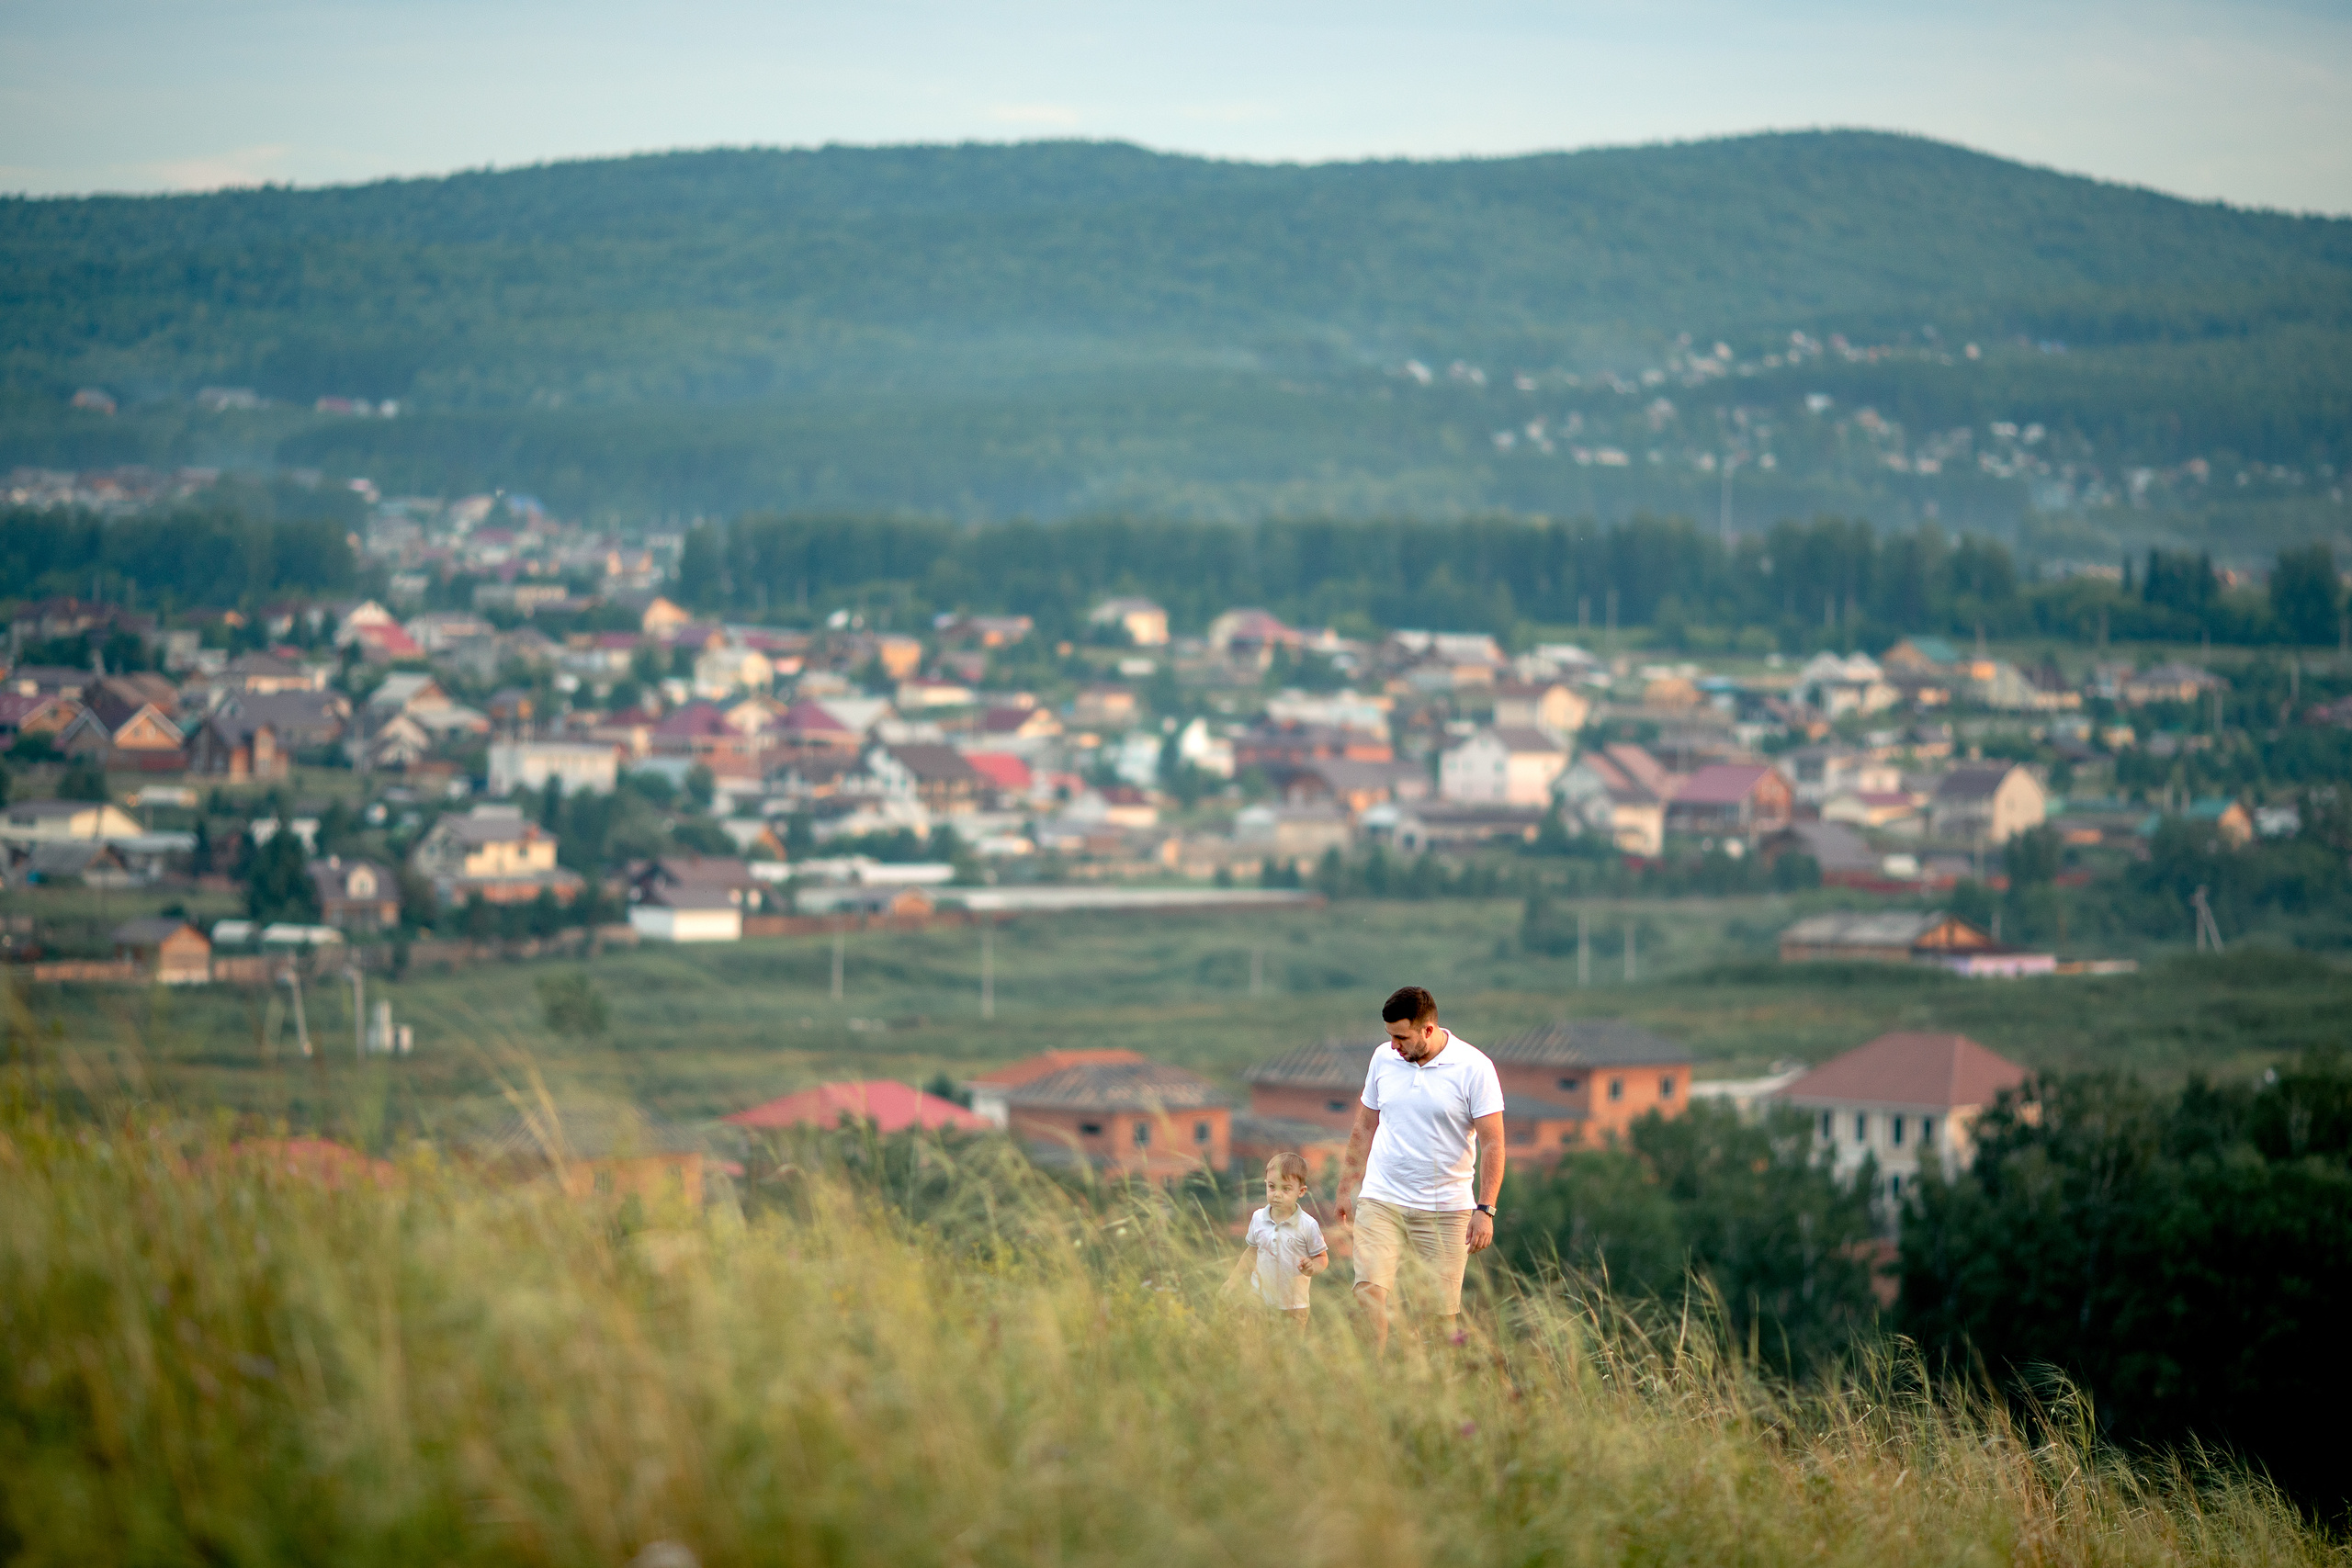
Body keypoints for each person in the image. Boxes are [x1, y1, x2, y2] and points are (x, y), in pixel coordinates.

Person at [1334, 985, 1505, 1352]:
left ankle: (1433, 1396)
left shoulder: (1476, 1069)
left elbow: (1493, 1142)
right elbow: (1364, 1126)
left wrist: (1485, 1209)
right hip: (1382, 1198)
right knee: (1368, 1295)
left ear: (1428, 1030)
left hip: (1446, 1209)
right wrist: (1348, 1185)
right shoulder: (1383, 1058)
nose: (1394, 1045)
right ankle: (1372, 1386)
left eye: (1401, 1037)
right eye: (1389, 1036)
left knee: (1438, 1318)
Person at [1221, 1151, 1330, 1324]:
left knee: (1290, 1350)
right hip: (1258, 1301)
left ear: (1301, 1191)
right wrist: (1233, 1280)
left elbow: (1322, 1258)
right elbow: (1251, 1253)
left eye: (1286, 1189)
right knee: (1257, 1347)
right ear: (1266, 1184)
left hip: (1294, 1306)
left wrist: (1313, 1268)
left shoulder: (1308, 1225)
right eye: (1272, 1187)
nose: (1277, 1194)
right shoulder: (1258, 1218)